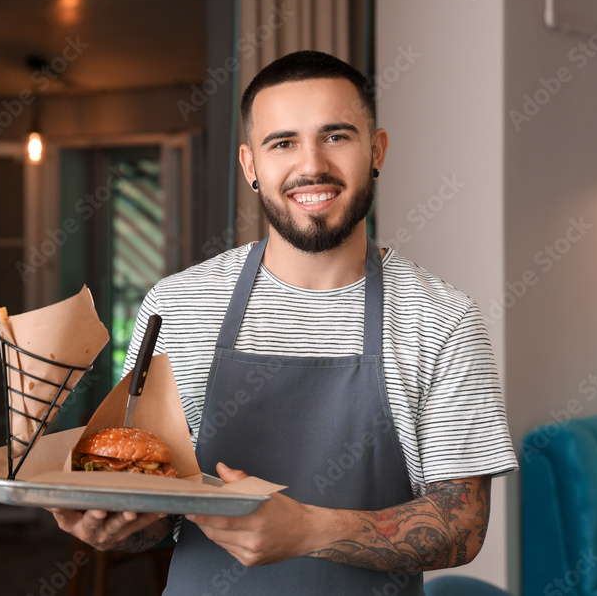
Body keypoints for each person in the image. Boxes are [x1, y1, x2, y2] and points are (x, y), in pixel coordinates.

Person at [50, 50, 517, 594]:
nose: (311, 165)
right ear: (251, 166)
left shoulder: (440, 320)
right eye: (283, 142)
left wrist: (310, 531)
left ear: (377, 151)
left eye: (337, 136)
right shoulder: (177, 307)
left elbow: (463, 526)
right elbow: (157, 516)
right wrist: (110, 525)